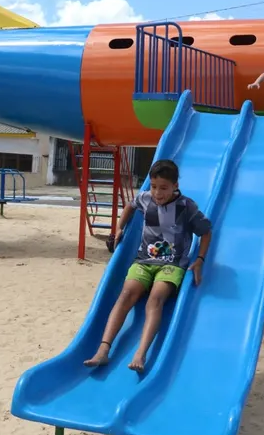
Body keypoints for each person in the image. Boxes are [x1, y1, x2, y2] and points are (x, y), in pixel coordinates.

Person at [83, 159, 212, 372]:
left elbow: (206, 232)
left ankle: (140, 354)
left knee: (155, 299)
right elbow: (130, 207)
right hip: (144, 260)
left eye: (164, 188)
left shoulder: (186, 207)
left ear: (175, 186)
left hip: (172, 264)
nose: (158, 193)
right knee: (126, 294)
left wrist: (200, 260)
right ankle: (103, 350)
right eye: (153, 187)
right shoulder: (144, 199)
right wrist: (119, 228)